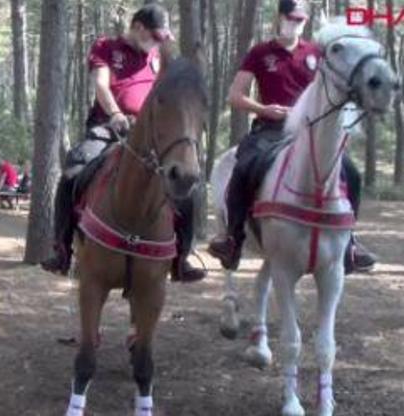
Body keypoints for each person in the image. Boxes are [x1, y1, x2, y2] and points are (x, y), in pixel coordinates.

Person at [207, 0, 376, 273]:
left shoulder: (317, 54)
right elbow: (234, 96)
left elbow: (333, 91)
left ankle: (350, 243)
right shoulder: (260, 52)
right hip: (270, 130)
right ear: (280, 17)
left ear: (305, 22)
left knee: (351, 173)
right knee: (243, 167)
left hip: (310, 133)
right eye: (290, 18)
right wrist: (263, 109)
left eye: (299, 19)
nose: (294, 23)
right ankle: (232, 237)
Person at [41, 3, 206, 283]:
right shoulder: (106, 47)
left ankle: (182, 257)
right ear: (138, 27)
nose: (157, 42)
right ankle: (62, 249)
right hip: (108, 128)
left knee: (187, 187)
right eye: (155, 36)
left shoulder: (159, 58)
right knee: (72, 173)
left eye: (162, 38)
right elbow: (101, 85)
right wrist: (116, 114)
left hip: (150, 135)